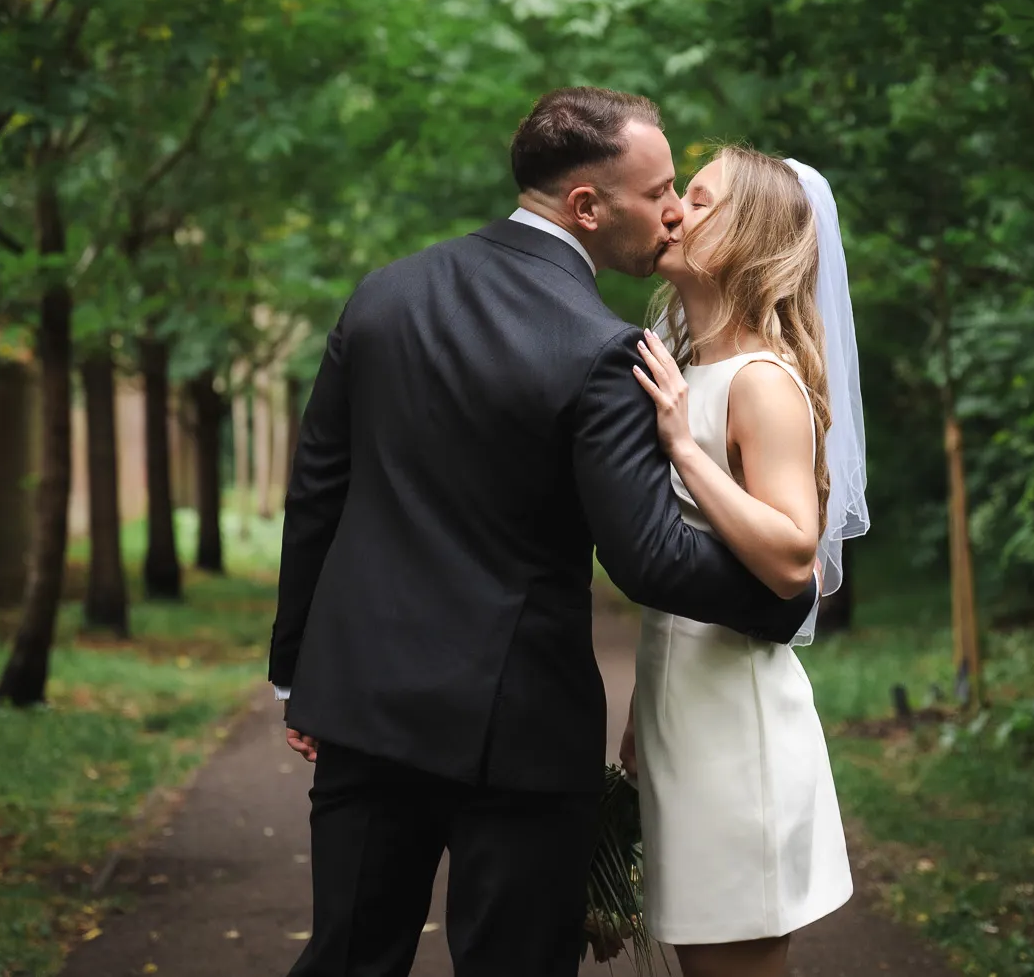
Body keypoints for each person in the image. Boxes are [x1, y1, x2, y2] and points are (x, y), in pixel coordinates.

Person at [267, 88, 818, 977]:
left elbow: (318, 492)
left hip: (362, 706)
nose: (672, 211)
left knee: (347, 959)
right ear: (588, 206)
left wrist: (299, 671)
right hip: (515, 730)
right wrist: (785, 597)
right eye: (658, 191)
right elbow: (649, 557)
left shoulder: (383, 295)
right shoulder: (602, 347)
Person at [621, 144, 869, 977]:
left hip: (738, 732)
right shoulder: (691, 366)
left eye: (698, 200)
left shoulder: (761, 379)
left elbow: (794, 555)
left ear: (748, 236)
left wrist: (683, 450)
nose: (673, 211)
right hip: (683, 712)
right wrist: (641, 712)